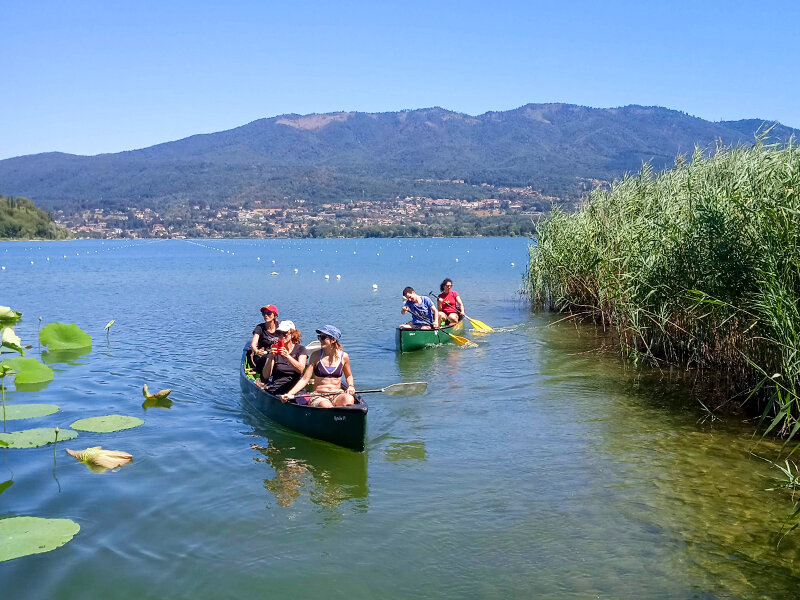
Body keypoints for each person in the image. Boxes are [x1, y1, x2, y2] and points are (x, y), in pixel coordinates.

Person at [281, 325, 356, 408]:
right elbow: (305, 379)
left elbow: (348, 375)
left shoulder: (344, 357)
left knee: (349, 399)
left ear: (333, 340)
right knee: (326, 406)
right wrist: (289, 394)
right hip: (318, 395)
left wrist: (350, 386)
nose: (320, 340)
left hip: (337, 394)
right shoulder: (315, 356)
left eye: (323, 337)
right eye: (319, 337)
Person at [260, 320, 308, 395]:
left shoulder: (301, 349)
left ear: (292, 334)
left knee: (303, 401)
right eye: (279, 333)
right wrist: (270, 357)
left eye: (284, 333)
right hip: (278, 389)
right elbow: (266, 375)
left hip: (296, 389)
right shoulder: (275, 349)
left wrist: (288, 356)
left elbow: (300, 369)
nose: (281, 336)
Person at [249, 304, 280, 373]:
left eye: (268, 313)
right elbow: (253, 344)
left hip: (277, 354)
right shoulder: (259, 328)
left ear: (275, 315)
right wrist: (257, 351)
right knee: (268, 358)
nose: (266, 315)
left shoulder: (280, 327)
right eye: (264, 313)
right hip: (263, 356)